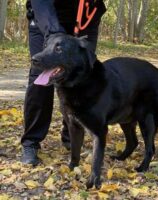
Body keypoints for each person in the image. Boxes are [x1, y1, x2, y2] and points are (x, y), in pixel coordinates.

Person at [21, 0, 106, 166]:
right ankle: (31, 142)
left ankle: (71, 137)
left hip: (85, 18)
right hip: (45, 17)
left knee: (81, 75)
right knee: (42, 75)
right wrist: (54, 33)